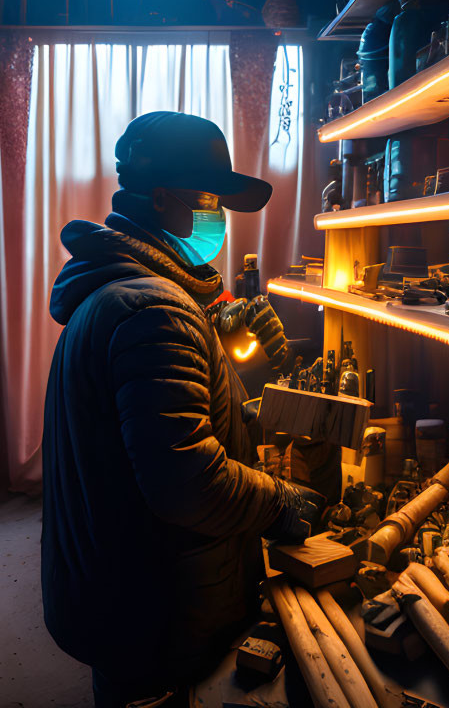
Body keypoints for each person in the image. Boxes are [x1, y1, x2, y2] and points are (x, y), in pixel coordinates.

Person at [42, 112, 321, 707]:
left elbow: (157, 431)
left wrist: (239, 371)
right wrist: (278, 502)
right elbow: (185, 482)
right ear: (164, 201)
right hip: (154, 610)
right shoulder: (154, 312)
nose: (217, 217)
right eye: (209, 200)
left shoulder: (127, 293)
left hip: (119, 593)